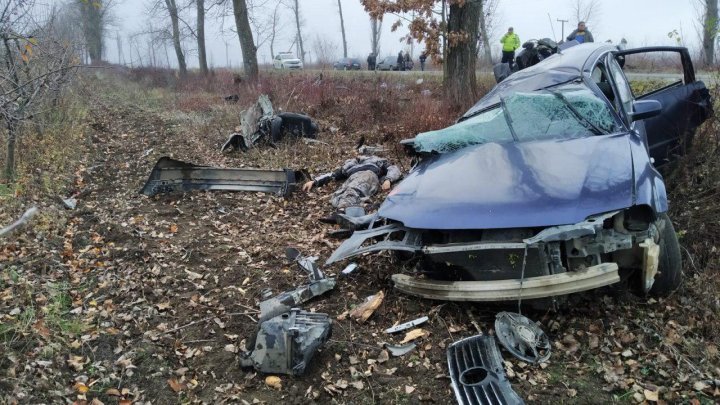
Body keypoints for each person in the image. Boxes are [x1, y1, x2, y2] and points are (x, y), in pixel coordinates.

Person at [302, 154, 402, 209]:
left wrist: (388, 180)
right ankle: (359, 207)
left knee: (352, 191)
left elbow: (393, 169)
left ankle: (344, 210)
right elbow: (332, 175)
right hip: (352, 178)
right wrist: (314, 182)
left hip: (369, 175)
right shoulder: (349, 166)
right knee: (338, 196)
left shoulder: (377, 161)